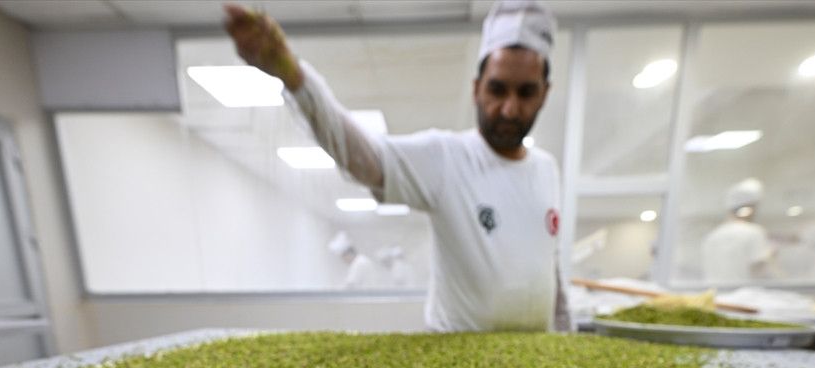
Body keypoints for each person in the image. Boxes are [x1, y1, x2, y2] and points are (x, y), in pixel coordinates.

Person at [224, 0, 571, 332]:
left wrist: (567, 335)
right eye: (497, 90)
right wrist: (297, 80)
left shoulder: (547, 170)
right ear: (476, 88)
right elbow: (367, 158)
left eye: (526, 93)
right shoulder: (448, 158)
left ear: (545, 93)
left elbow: (549, 270)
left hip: (534, 358)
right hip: (456, 352)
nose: (510, 109)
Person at [701, 178, 775, 285]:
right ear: (750, 208)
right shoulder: (754, 232)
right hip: (745, 294)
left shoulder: (712, 236)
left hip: (716, 294)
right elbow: (760, 273)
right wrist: (771, 258)